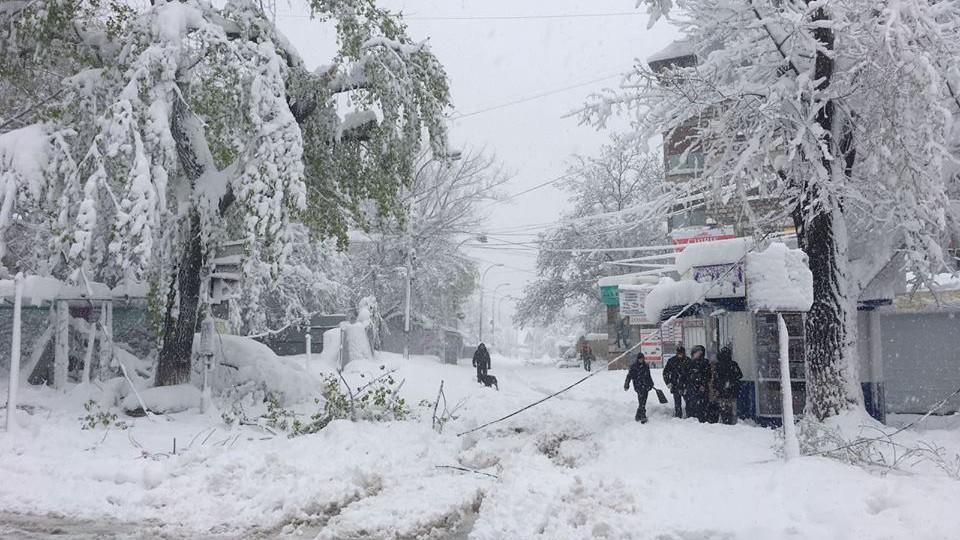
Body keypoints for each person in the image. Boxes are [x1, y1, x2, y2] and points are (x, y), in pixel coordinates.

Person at [710, 346, 743, 425]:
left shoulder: (718, 365)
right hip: (732, 391)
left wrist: (716, 389)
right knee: (732, 409)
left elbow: (715, 379)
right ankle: (732, 423)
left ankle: (724, 423)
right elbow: (739, 375)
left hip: (721, 392)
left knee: (723, 409)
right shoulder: (733, 364)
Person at [682, 345, 711, 423]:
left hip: (701, 388)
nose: (695, 354)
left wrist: (703, 384)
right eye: (695, 353)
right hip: (691, 387)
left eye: (698, 353)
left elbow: (708, 375)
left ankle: (702, 419)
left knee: (702, 404)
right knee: (690, 404)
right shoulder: (689, 363)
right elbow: (685, 375)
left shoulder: (705, 363)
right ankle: (691, 418)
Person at [624, 352, 655, 423]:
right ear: (637, 359)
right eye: (640, 359)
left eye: (642, 359)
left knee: (643, 402)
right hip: (638, 386)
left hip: (646, 386)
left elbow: (648, 376)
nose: (641, 360)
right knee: (642, 401)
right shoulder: (634, 367)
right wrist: (626, 384)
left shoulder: (646, 366)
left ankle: (638, 415)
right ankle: (643, 416)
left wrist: (651, 383)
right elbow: (629, 376)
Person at [662, 345, 687, 418]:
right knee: (677, 403)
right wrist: (668, 382)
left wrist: (689, 383)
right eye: (678, 353)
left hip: (685, 385)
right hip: (675, 385)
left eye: (681, 353)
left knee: (688, 402)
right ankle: (678, 415)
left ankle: (689, 415)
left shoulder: (687, 361)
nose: (680, 355)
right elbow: (665, 372)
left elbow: (691, 374)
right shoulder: (672, 361)